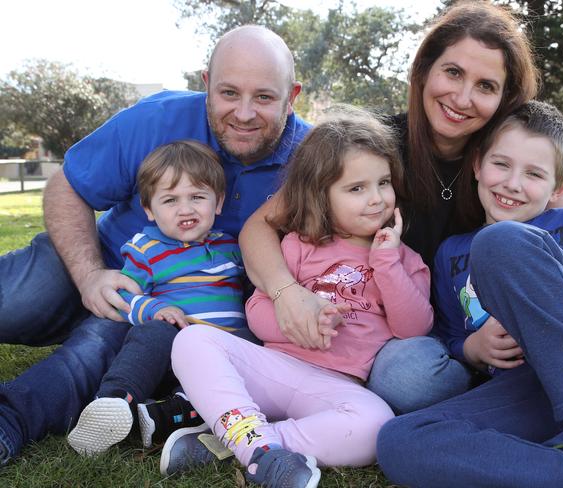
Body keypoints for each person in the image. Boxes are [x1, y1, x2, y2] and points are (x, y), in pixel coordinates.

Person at [0, 25, 308, 465]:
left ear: (291, 94)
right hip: (101, 258)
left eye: (263, 97)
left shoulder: (312, 158)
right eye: (228, 93)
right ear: (205, 85)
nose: (243, 113)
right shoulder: (156, 119)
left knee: (96, 347)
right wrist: (88, 275)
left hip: (176, 316)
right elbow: (68, 186)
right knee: (15, 301)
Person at [237, 0, 563, 414]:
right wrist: (286, 294)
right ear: (424, 70)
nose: (462, 98)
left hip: (475, 326)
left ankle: (501, 387)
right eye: (453, 72)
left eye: (486, 86)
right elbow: (258, 227)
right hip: (388, 335)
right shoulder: (371, 145)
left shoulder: (505, 161)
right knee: (406, 379)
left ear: (505, 98)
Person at [376, 101, 563, 488]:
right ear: (477, 165)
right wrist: (472, 348)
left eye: (534, 173)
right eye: (501, 164)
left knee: (500, 241)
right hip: (535, 394)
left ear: (560, 187)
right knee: (399, 440)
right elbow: (449, 334)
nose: (512, 183)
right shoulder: (452, 253)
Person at [162, 108, 433, 487]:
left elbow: (415, 327)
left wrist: (387, 263)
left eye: (383, 183)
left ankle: (252, 445)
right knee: (193, 340)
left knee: (376, 425)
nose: (376, 199)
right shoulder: (299, 245)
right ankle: (255, 444)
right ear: (321, 195)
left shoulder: (405, 259)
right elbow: (257, 311)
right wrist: (302, 321)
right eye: (356, 188)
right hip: (274, 369)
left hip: (338, 385)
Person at [66, 140, 246, 456]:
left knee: (245, 353)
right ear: (150, 209)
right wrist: (156, 308)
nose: (186, 209)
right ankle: (114, 401)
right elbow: (121, 295)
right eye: (170, 200)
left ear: (217, 202)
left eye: (197, 197)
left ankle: (159, 418)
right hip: (171, 350)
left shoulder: (232, 247)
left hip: (221, 358)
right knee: (152, 333)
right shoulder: (147, 249)